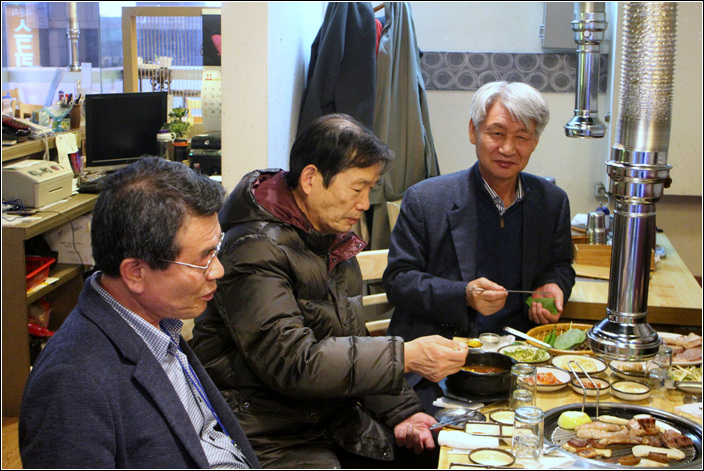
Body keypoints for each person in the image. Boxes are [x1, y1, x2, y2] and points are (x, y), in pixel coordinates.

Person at [190, 113, 468, 469]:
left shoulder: (330, 239)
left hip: (328, 419)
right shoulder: (254, 248)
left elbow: (351, 344)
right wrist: (405, 356)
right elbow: (293, 363)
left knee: (444, 451)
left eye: (370, 189)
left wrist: (403, 412)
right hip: (269, 435)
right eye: (357, 188)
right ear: (310, 179)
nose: (364, 203)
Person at [19, 157, 259, 469]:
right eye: (202, 259)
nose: (218, 270)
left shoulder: (160, 322)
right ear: (135, 273)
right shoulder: (71, 385)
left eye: (216, 250)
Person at [383, 81, 575, 411]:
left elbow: (560, 265)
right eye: (497, 133)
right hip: (440, 362)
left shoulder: (552, 202)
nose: (508, 148)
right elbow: (398, 281)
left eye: (522, 137)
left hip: (521, 360)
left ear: (535, 141)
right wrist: (464, 295)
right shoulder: (426, 199)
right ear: (473, 131)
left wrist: (553, 285)